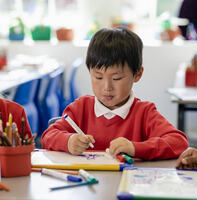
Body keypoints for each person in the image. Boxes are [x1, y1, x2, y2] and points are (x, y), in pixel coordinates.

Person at [41, 27, 189, 160]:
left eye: (117, 78)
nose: (107, 87)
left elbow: (178, 142)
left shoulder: (144, 113)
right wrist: (68, 141)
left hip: (126, 185)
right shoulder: (81, 108)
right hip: (86, 186)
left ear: (137, 74)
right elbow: (48, 136)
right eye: (98, 77)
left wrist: (135, 148)